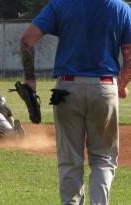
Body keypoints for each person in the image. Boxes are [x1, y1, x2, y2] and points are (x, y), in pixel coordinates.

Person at [20, 1, 131, 204]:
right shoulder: (121, 8)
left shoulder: (60, 4)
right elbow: (130, 53)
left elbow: (27, 40)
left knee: (69, 160)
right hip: (104, 86)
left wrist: (30, 80)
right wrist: (123, 84)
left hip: (66, 88)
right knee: (103, 159)